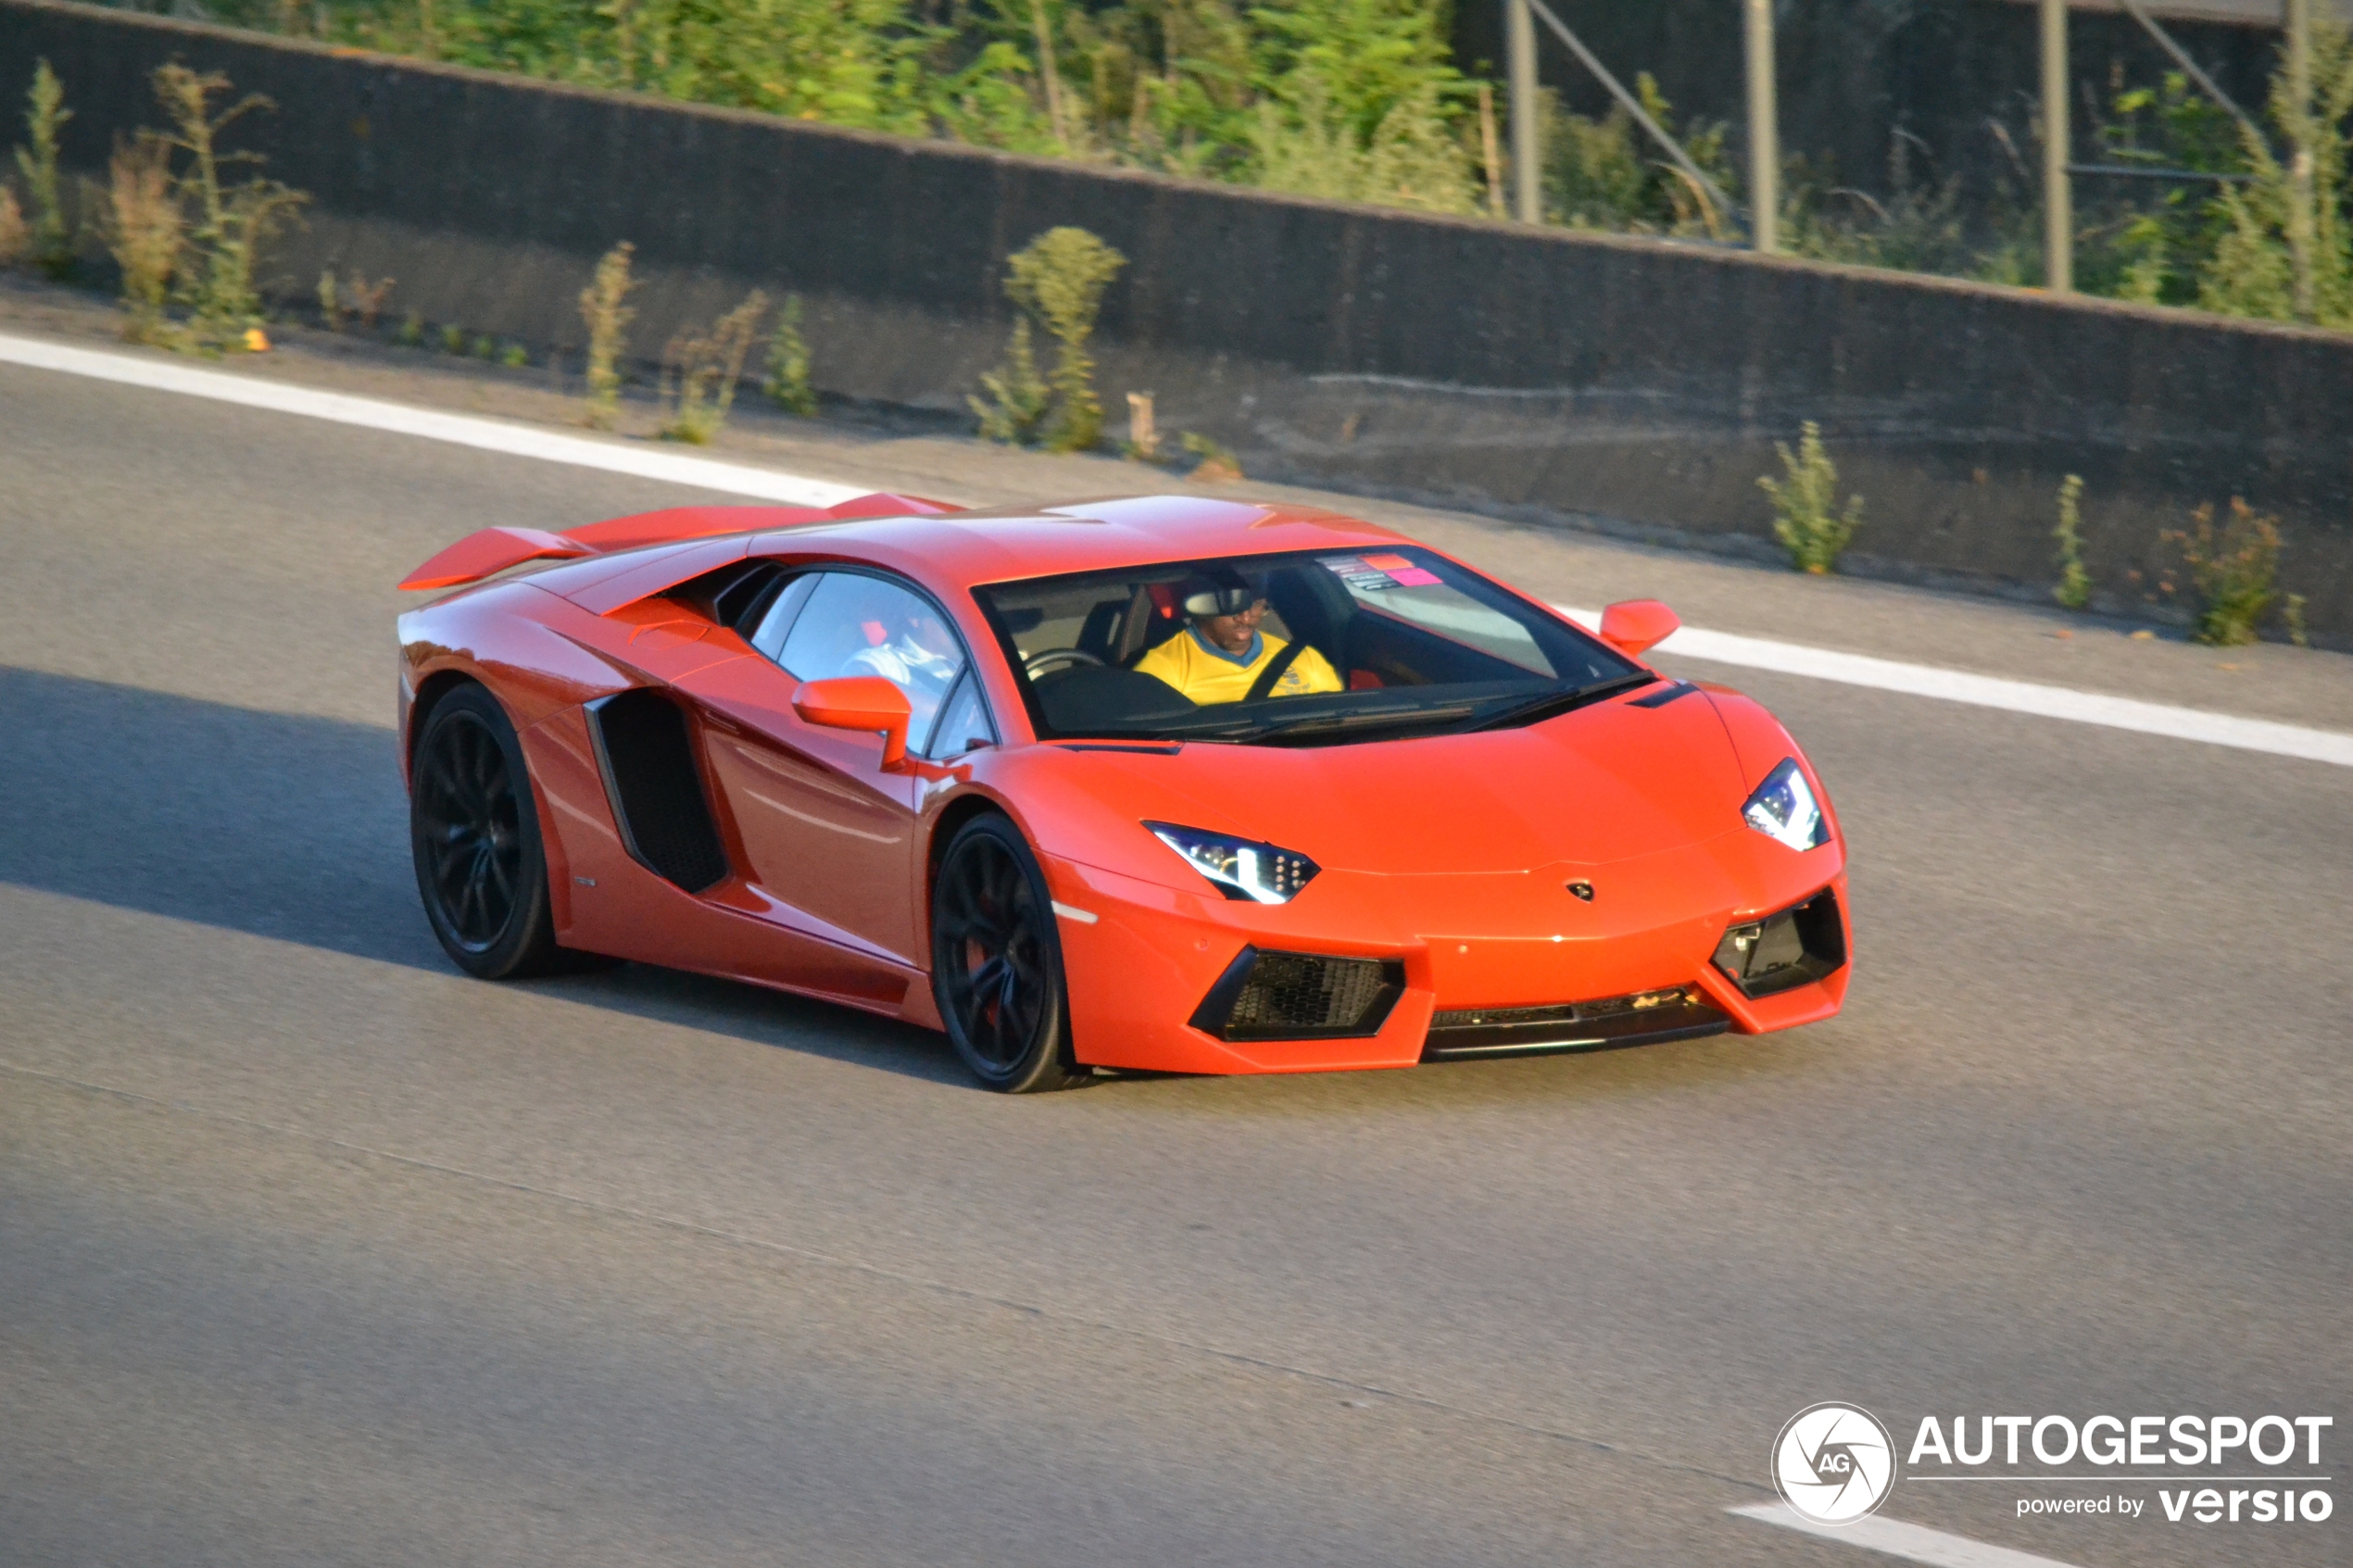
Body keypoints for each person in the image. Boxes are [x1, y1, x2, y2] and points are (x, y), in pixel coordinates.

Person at [1133, 571, 1341, 705]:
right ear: (1204, 607)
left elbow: (1338, 717)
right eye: (1234, 608)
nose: (1245, 617)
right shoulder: (1163, 668)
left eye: (1256, 606)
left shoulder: (1305, 658)